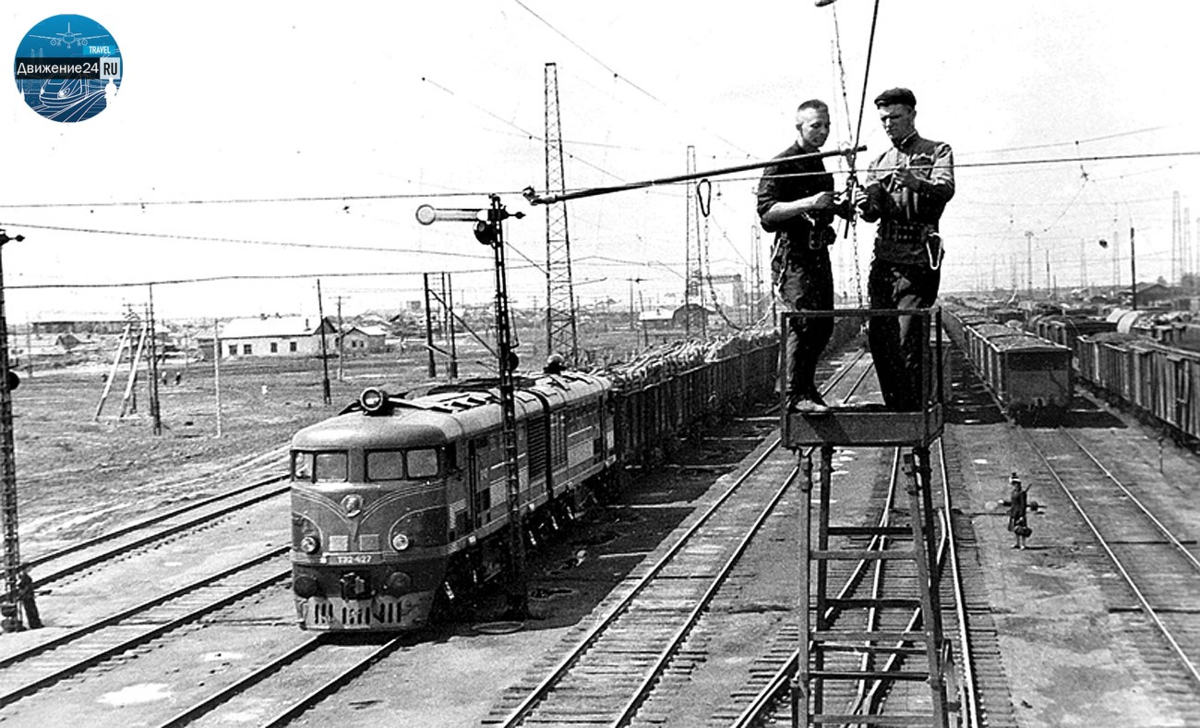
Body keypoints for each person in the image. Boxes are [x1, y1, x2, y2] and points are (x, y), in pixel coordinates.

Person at [854, 87, 955, 411]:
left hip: (917, 260)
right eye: (883, 119)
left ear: (912, 114)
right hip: (885, 259)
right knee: (881, 339)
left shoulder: (937, 151)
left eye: (895, 117)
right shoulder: (878, 163)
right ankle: (896, 406)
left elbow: (945, 190)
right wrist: (862, 202)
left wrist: (916, 182)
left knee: (908, 336)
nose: (888, 124)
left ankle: (913, 408)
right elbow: (872, 213)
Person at [756, 98, 851, 414]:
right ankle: (794, 396)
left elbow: (824, 207)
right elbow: (767, 213)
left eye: (826, 126)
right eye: (815, 126)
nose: (823, 132)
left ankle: (807, 389)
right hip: (794, 258)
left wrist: (843, 206)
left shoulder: (818, 163)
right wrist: (809, 202)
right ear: (799, 127)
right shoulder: (782, 164)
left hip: (818, 253)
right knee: (802, 322)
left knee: (822, 325)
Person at [1006, 473, 1031, 550]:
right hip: (1014, 513)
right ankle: (1017, 543)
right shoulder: (1013, 492)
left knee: (1022, 529)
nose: (1014, 486)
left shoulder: (1022, 493)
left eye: (1015, 484)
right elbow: (1013, 503)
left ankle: (1023, 544)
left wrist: (1022, 515)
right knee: (1015, 529)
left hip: (1020, 513)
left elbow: (1023, 505)